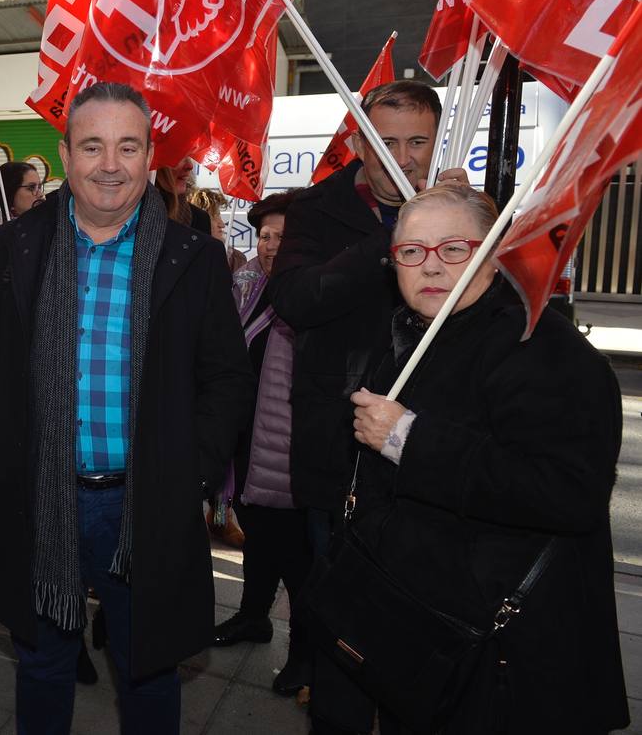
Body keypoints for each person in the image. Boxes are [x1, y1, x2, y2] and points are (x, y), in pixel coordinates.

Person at [0, 82, 254, 734]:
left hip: (146, 504)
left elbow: (227, 380)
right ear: (66, 156)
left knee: (148, 672)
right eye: (93, 147)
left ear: (151, 157)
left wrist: (190, 474)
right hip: (41, 497)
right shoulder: (19, 243)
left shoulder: (194, 258)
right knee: (42, 666)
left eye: (128, 146)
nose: (111, 164)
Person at [314, 183, 629, 734]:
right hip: (426, 637)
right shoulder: (419, 333)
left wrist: (408, 439)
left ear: (493, 255)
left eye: (455, 248)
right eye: (412, 251)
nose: (431, 265)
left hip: (505, 660)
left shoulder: (543, 348)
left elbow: (567, 492)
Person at [270, 79, 467, 564]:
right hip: (340, 445)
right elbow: (295, 300)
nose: (402, 158)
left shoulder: (460, 212)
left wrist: (462, 223)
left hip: (433, 439)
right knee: (334, 586)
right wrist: (397, 236)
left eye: (417, 142)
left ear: (436, 143)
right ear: (359, 144)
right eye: (386, 142)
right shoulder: (314, 208)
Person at [210, 190, 314, 696]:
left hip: (289, 445)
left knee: (295, 555)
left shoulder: (312, 292)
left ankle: (305, 652)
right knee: (258, 535)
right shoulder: (248, 284)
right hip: (246, 439)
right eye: (265, 236)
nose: (271, 245)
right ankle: (253, 616)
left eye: (283, 236)